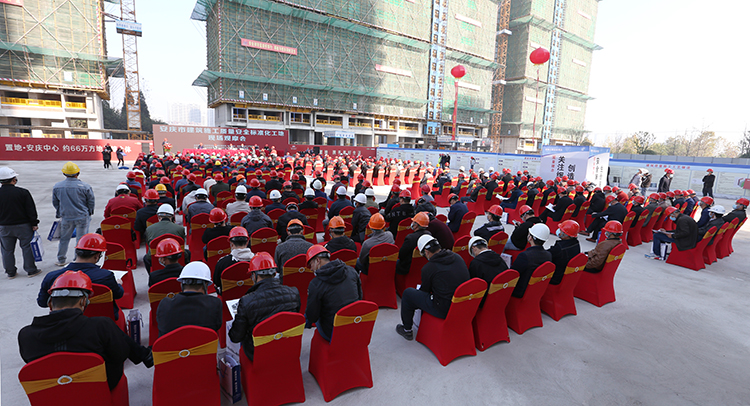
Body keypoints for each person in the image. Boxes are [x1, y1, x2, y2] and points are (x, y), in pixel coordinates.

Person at [20, 271, 153, 391]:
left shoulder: (25, 335)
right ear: (84, 302)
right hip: (99, 386)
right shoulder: (100, 326)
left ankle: (145, 355)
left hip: (50, 391)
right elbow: (120, 355)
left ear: (50, 303)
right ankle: (145, 355)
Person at [228, 252, 300, 361]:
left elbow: (236, 337)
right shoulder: (293, 293)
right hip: (288, 347)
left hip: (258, 354)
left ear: (254, 275)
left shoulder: (246, 301)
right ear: (274, 273)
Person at [396, 235, 469, 341]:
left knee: (408, 294)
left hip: (443, 308)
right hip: (462, 304)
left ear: (426, 252)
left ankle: (407, 329)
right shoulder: (457, 257)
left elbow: (425, 290)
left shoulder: (429, 268)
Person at [37, 234, 123, 319]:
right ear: (97, 257)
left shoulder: (52, 277)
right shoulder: (106, 276)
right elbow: (118, 294)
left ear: (77, 252)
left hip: (64, 322)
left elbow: (42, 302)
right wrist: (118, 284)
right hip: (100, 320)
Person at [305, 245, 362, 342]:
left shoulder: (316, 284)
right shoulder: (351, 271)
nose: (311, 269)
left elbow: (313, 316)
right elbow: (360, 297)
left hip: (333, 331)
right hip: (354, 323)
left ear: (317, 261)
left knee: (309, 314)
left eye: (311, 265)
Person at [156, 261, 223, 337]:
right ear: (206, 285)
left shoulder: (165, 304)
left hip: (172, 344)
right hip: (202, 344)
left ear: (181, 284)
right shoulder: (215, 304)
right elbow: (216, 326)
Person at [0, 166, 41, 278]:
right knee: (27, 248)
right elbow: (30, 210)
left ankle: (10, 272)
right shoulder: (23, 192)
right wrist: (34, 223)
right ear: (14, 179)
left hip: (4, 227)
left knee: (7, 250)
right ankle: (31, 270)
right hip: (23, 226)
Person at [52, 162, 95, 267]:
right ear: (78, 173)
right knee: (81, 239)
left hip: (66, 216)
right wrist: (89, 212)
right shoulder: (85, 186)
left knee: (64, 239)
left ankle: (61, 259)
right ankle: (77, 259)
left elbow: (55, 202)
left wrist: (60, 212)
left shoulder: (57, 186)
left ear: (64, 173)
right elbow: (91, 201)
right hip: (82, 216)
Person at [510, 224, 552, 298]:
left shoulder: (525, 256)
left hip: (521, 291)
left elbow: (512, 274)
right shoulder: (548, 255)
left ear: (530, 238)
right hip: (536, 289)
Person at [143, 204, 186, 273]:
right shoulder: (180, 228)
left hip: (157, 256)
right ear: (172, 216)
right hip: (175, 255)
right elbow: (182, 244)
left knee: (146, 258)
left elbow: (149, 244)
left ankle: (152, 274)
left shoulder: (149, 229)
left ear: (158, 217)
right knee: (187, 253)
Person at [467, 236, 508, 307]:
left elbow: (473, 285)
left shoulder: (475, 263)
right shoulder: (499, 258)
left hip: (486, 300)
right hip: (503, 294)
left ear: (474, 248)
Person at [212, 226, 254, 291]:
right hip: (253, 295)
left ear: (231, 244)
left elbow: (217, 282)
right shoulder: (257, 261)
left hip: (228, 297)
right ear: (247, 242)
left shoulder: (222, 263)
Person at [546, 220, 581, 285]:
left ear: (566, 234)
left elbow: (546, 255)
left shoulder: (560, 248)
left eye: (561, 230)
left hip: (555, 277)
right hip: (565, 274)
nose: (559, 231)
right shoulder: (576, 244)